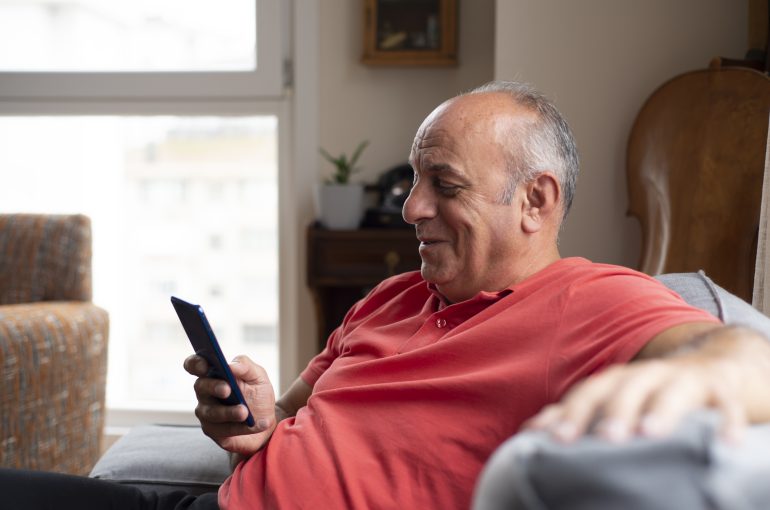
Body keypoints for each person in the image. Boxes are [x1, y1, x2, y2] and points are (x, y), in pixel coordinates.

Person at [2, 80, 769, 509]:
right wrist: (254, 412)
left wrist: (701, 374)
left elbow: (745, 357)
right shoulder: (396, 296)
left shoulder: (587, 301)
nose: (411, 209)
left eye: (445, 185)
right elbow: (290, 420)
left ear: (536, 201)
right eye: (414, 181)